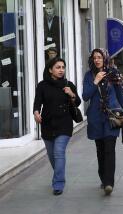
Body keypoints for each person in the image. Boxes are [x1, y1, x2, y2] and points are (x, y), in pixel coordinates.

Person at [33, 57, 81, 195]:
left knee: (59, 152)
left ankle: (58, 184)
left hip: (64, 124)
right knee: (52, 155)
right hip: (47, 124)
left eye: (63, 67)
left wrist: (71, 94)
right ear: (50, 69)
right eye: (58, 67)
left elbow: (77, 102)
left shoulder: (68, 84)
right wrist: (36, 112)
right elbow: (37, 102)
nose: (61, 70)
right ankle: (59, 175)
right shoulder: (42, 85)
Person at [82, 48, 123, 196]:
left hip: (112, 118)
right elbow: (85, 96)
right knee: (100, 151)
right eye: (94, 58)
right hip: (96, 118)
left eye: (99, 57)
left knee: (109, 149)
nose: (97, 60)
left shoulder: (113, 74)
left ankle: (109, 183)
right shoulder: (89, 76)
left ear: (105, 58)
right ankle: (103, 177)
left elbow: (120, 96)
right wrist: (95, 81)